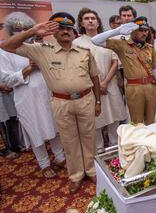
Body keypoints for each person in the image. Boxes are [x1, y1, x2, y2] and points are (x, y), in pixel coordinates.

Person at [0, 12, 102, 194]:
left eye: (68, 29)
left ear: (74, 32)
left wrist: (98, 101)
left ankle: (91, 170)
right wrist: (32, 30)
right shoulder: (41, 50)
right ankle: (76, 175)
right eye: (60, 28)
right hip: (62, 103)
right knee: (69, 142)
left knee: (89, 138)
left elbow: (94, 77)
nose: (65, 32)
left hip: (86, 99)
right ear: (53, 33)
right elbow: (6, 46)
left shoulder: (85, 52)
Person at [0, 46, 66, 178]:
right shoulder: (5, 51)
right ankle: (44, 164)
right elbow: (7, 81)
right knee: (34, 129)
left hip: (47, 91)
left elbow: (56, 65)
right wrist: (29, 68)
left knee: (53, 124)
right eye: (19, 30)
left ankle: (60, 157)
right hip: (26, 98)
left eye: (26, 29)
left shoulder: (37, 45)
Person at [74, 8, 128, 153]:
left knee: (114, 119)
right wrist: (96, 85)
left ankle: (115, 150)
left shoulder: (107, 40)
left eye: (93, 18)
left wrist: (104, 82)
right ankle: (98, 152)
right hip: (89, 89)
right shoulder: (76, 43)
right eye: (86, 18)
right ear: (81, 23)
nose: (90, 20)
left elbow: (115, 62)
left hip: (109, 85)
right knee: (95, 123)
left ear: (98, 22)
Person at [92, 17, 156, 126]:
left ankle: (149, 143)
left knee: (151, 122)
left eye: (146, 30)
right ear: (132, 30)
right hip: (134, 88)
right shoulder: (122, 44)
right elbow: (95, 40)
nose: (144, 33)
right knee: (137, 123)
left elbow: (155, 69)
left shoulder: (150, 48)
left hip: (151, 86)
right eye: (141, 30)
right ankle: (138, 143)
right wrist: (117, 31)